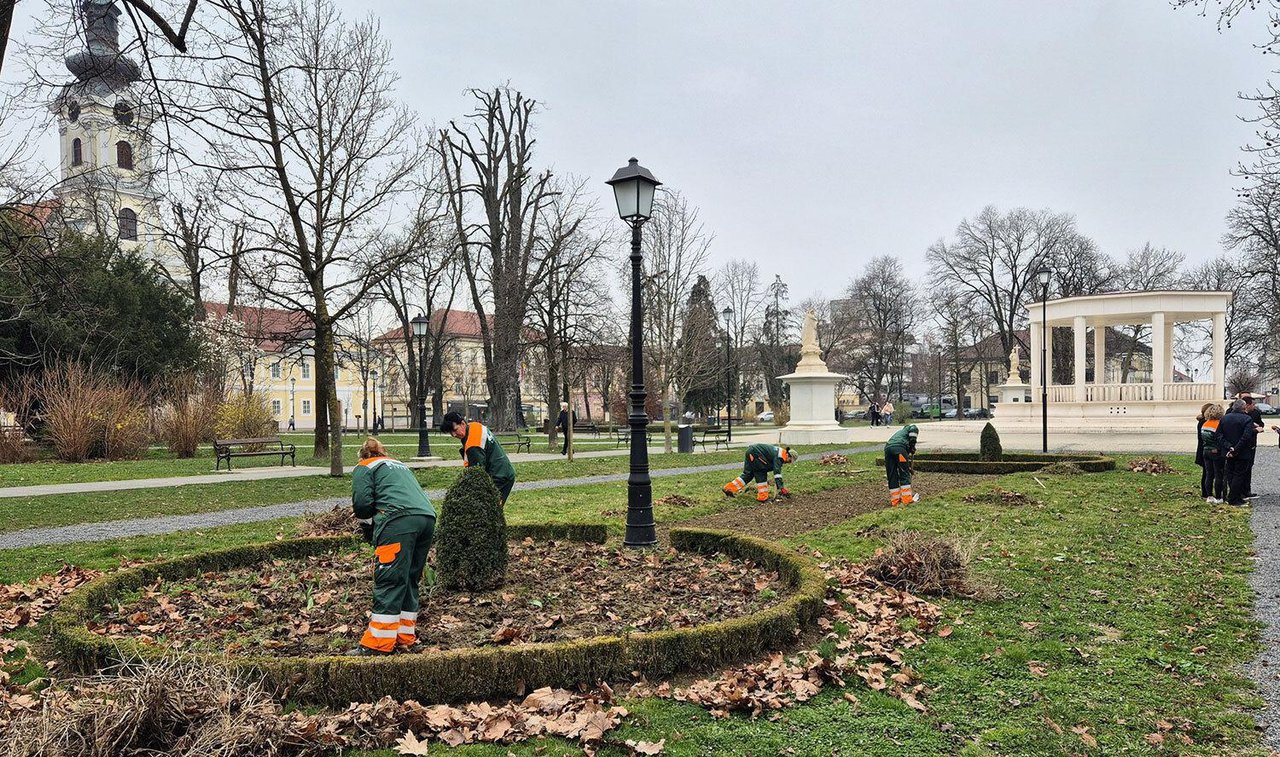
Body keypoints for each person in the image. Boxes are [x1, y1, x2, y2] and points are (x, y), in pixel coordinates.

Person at [347, 438, 436, 656]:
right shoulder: (399, 465)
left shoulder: (364, 467)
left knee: (389, 579)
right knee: (409, 579)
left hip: (397, 521)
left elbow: (362, 504)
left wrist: (368, 531)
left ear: (363, 455)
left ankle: (378, 643)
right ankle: (405, 636)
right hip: (427, 518)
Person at [440, 411, 516, 504]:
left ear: (463, 423)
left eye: (455, 430)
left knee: (489, 508)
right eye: (450, 432)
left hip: (499, 477)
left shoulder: (474, 445)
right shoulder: (474, 426)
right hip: (503, 471)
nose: (453, 435)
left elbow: (476, 474)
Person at [723, 444, 796, 502]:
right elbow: (777, 473)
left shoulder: (781, 453)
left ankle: (729, 488)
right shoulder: (780, 457)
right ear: (788, 455)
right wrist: (781, 487)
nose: (788, 463)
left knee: (748, 475)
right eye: (790, 461)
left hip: (751, 451)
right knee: (761, 472)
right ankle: (763, 498)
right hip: (756, 453)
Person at [1219, 400, 1258, 506]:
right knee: (1239, 475)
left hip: (1228, 451)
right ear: (1243, 407)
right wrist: (1235, 449)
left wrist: (1229, 447)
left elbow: (1219, 435)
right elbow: (1246, 437)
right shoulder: (1247, 419)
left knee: (1231, 474)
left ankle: (1234, 496)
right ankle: (1234, 498)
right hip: (1242, 452)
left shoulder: (1224, 418)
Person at [884, 423, 920, 506]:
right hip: (899, 448)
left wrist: (907, 466)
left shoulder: (900, 434)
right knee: (904, 473)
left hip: (888, 449)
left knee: (892, 474)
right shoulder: (911, 427)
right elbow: (913, 431)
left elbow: (902, 461)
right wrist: (912, 446)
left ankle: (895, 501)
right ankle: (907, 499)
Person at [1198, 403, 1225, 504]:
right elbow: (1220, 439)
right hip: (1216, 451)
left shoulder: (1205, 424)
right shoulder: (1219, 424)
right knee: (1219, 474)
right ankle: (1218, 497)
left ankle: (1209, 496)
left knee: (1209, 474)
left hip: (1206, 450)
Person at [1242, 394, 1266, 499]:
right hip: (1241, 443)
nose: (1254, 406)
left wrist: (1258, 425)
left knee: (1249, 466)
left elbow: (1261, 424)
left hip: (1251, 443)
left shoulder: (1255, 413)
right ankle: (1239, 491)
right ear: (1247, 405)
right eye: (1253, 404)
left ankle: (1247, 490)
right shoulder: (1235, 412)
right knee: (1241, 468)